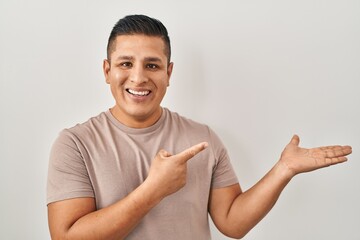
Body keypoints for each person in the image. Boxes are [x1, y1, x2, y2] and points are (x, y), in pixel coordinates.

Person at [46, 14, 352, 240]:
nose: (138, 78)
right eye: (126, 64)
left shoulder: (202, 138)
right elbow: (66, 237)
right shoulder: (75, 143)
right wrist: (153, 191)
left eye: (152, 65)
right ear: (107, 70)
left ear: (169, 72)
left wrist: (283, 169)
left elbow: (232, 223)